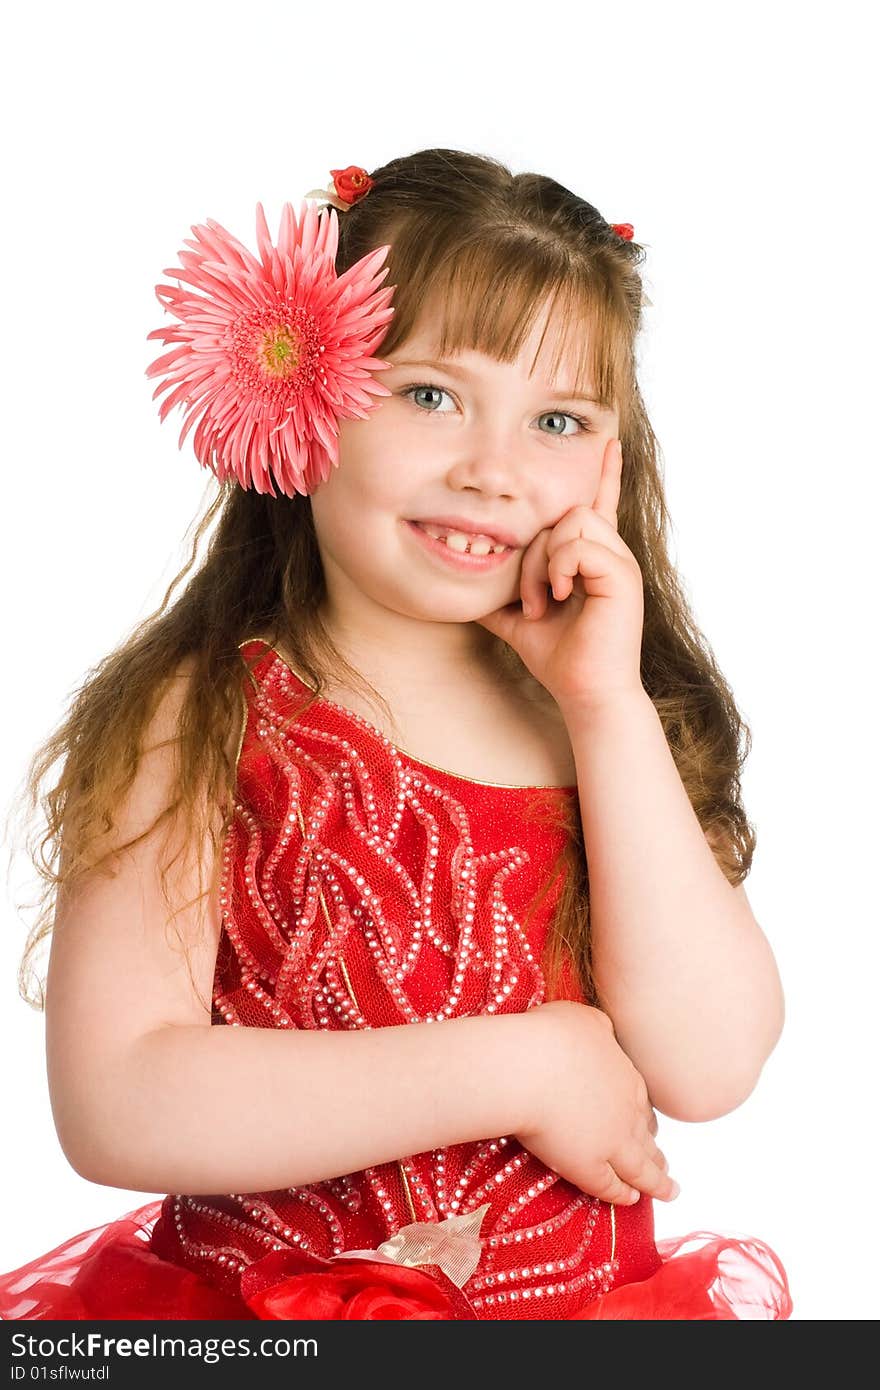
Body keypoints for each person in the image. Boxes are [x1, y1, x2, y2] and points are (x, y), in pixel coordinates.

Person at [0, 149, 793, 1321]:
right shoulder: (205, 713)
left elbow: (710, 1063)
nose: (492, 469)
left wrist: (605, 708)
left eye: (558, 419)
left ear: (613, 462)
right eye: (430, 395)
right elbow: (117, 1102)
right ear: (297, 399)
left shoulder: (609, 721)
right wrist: (519, 1064)